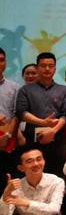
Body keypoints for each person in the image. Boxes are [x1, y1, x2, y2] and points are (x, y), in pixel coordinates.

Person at [16, 52, 66, 175]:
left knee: (58, 175)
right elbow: (21, 112)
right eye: (43, 65)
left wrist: (52, 131)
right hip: (32, 140)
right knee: (33, 175)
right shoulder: (26, 90)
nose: (47, 69)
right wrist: (43, 122)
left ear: (55, 68)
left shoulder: (64, 90)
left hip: (57, 140)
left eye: (51, 66)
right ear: (37, 68)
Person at [0, 47, 19, 190]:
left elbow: (16, 114)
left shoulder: (14, 87)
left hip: (7, 141)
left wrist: (7, 136)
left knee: (7, 181)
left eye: (1, 60)